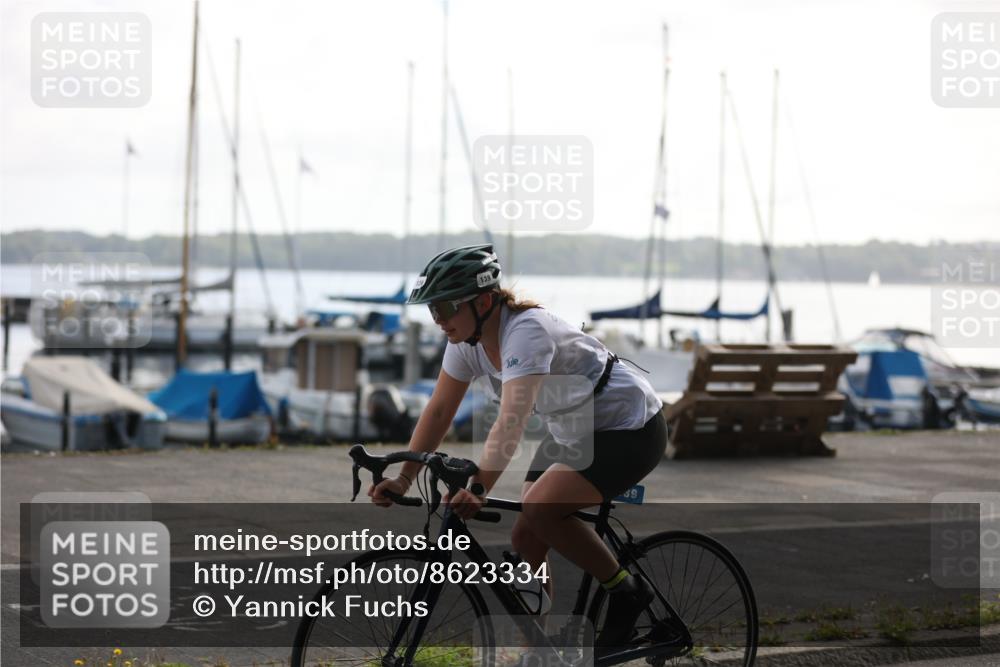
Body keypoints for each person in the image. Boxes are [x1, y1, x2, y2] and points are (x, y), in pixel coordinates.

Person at [369, 244, 667, 655]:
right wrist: (404, 477)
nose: (439, 321)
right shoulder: (466, 341)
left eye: (446, 308)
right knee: (527, 534)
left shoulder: (525, 332)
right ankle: (538, 654)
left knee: (541, 508)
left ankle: (627, 590)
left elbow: (511, 422)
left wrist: (478, 487)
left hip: (629, 425)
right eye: (432, 311)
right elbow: (438, 412)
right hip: (571, 428)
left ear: (484, 301)